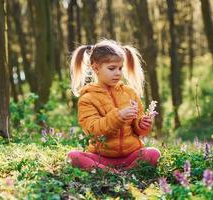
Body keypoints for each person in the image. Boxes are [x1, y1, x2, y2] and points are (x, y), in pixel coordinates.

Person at [67, 39, 160, 173]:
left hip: (130, 155)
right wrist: (118, 116)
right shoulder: (88, 99)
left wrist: (142, 124)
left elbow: (138, 129)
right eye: (111, 68)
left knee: (153, 153)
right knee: (74, 157)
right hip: (102, 157)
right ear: (95, 68)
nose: (118, 73)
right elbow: (92, 131)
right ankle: (112, 172)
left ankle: (121, 172)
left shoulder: (129, 93)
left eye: (120, 68)